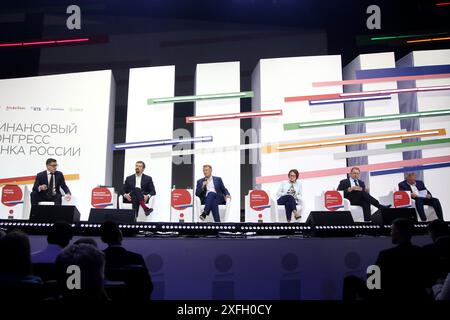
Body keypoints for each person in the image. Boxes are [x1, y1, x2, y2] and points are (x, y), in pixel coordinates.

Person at [374, 218, 429, 299]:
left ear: (397, 232)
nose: (390, 233)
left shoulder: (386, 255)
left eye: (391, 230)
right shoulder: (421, 252)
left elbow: (373, 282)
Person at [100, 221, 153, 300]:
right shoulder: (136, 258)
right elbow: (147, 287)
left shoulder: (97, 258)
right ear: (120, 236)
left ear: (103, 239)